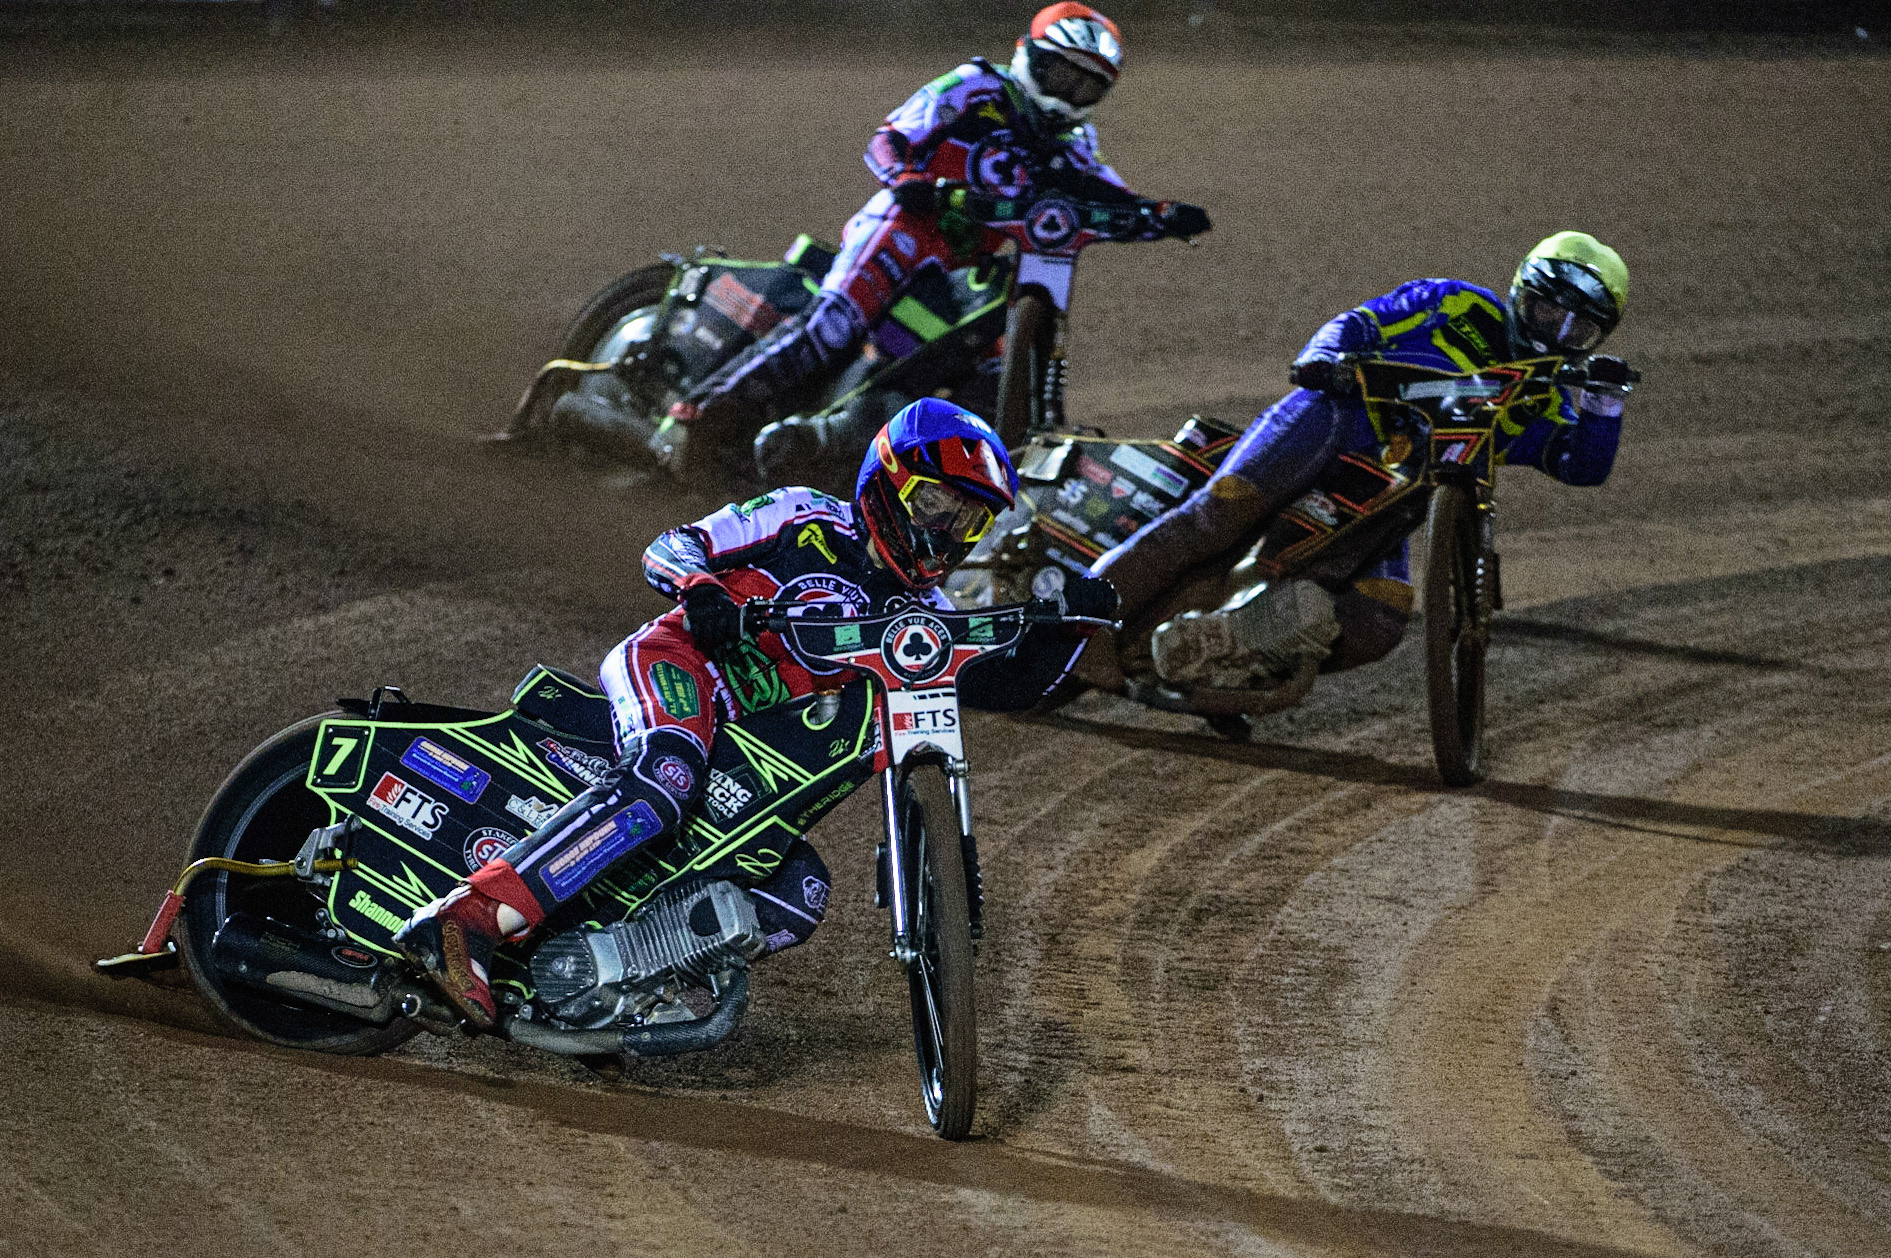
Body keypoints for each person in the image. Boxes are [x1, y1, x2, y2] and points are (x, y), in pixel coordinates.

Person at [394, 398, 1118, 1028]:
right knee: (665, 779)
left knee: (797, 892)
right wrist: (700, 588)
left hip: (746, 746)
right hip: (679, 663)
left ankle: (600, 990)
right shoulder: (802, 516)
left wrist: (1070, 626)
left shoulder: (925, 616)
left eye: (969, 521)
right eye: (937, 505)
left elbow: (1010, 686)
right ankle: (463, 920)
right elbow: (672, 545)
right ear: (890, 482)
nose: (946, 533)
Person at [663, 3, 1210, 473]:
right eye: (1060, 74)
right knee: (832, 328)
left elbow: (1104, 191)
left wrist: (1158, 213)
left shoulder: (1075, 140)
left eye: (1085, 84)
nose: (1068, 93)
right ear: (1029, 54)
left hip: (966, 269)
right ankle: (692, 419)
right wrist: (907, 181)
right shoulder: (974, 87)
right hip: (904, 231)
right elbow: (889, 138)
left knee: (990, 376)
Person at [1081, 230, 1638, 691]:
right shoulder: (1453, 302)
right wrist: (1323, 360)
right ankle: (1076, 634)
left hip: (1396, 492)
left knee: (1379, 618)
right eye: (1548, 313)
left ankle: (1235, 657)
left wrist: (1604, 406)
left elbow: (1580, 466)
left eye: (1578, 328)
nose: (1557, 336)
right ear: (1522, 293)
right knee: (1218, 516)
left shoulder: (1549, 398)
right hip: (1334, 420)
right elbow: (1361, 324)